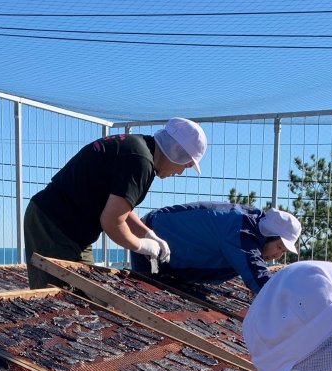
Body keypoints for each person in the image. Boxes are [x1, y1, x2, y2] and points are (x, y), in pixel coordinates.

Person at [23, 118, 207, 289]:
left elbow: (121, 209)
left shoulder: (139, 148)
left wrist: (148, 234)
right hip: (53, 224)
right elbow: (112, 222)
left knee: (88, 293)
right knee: (61, 297)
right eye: (187, 165)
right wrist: (141, 246)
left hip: (71, 230)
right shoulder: (140, 161)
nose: (181, 172)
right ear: (177, 152)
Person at [128, 202, 301, 294]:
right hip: (152, 243)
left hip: (171, 249)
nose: (277, 255)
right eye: (278, 247)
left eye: (283, 252)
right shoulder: (241, 233)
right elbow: (259, 279)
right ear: (268, 235)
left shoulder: (250, 223)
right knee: (146, 292)